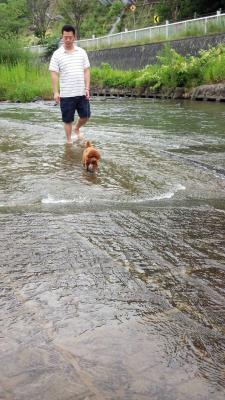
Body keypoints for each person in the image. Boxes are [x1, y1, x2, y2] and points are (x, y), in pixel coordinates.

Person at [49, 24, 91, 144]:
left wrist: (87, 88)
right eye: (65, 37)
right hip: (66, 94)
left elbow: (87, 70)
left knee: (86, 116)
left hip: (81, 91)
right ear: (62, 37)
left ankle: (76, 128)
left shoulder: (82, 52)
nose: (67, 40)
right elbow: (54, 74)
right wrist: (56, 92)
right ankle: (68, 142)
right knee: (67, 119)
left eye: (70, 37)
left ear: (74, 37)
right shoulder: (57, 54)